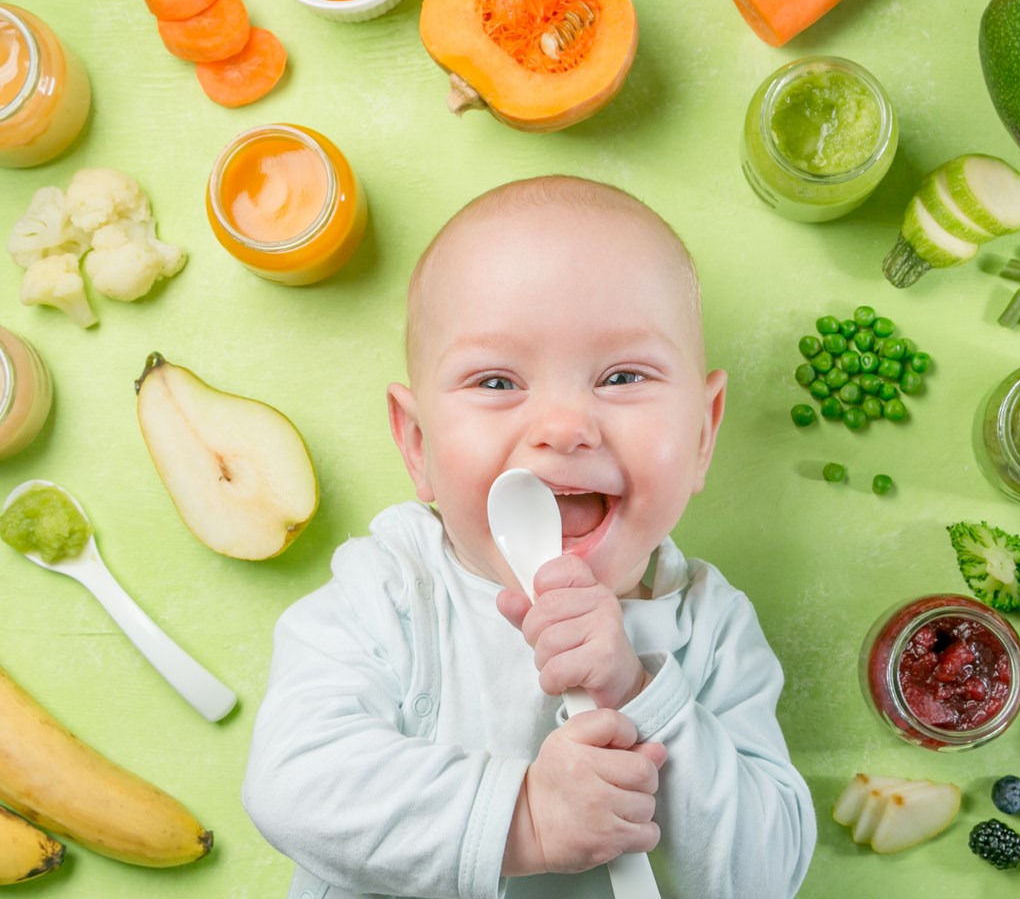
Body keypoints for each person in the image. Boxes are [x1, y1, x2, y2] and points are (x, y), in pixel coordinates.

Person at [243, 175, 816, 899]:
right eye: (495, 383)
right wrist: (525, 818)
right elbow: (292, 783)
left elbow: (768, 875)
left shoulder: (711, 630)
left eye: (621, 375)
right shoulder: (388, 589)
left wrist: (638, 695)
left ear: (703, 433)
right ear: (417, 444)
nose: (564, 426)